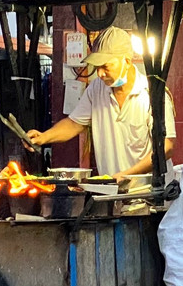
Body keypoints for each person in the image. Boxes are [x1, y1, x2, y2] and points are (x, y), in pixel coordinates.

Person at [26, 27, 175, 178]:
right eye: (97, 67)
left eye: (106, 66)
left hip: (149, 191)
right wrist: (44, 137)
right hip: (113, 189)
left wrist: (127, 175)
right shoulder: (96, 88)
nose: (100, 73)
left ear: (127, 62)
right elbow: (74, 123)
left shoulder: (152, 94)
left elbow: (167, 147)